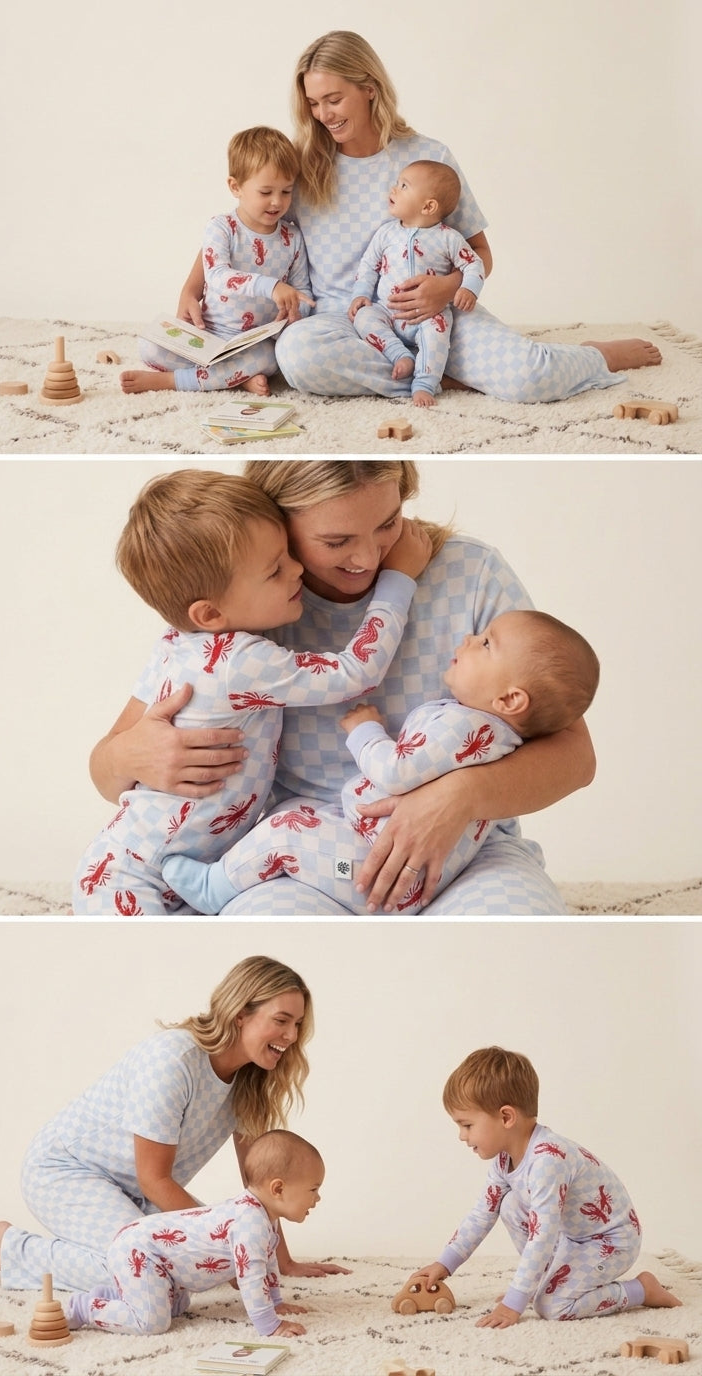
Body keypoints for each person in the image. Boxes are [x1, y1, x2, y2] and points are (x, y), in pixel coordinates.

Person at [88, 460, 597, 917]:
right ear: (278, 525)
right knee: (268, 928)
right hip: (310, 852)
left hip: (469, 847)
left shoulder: (473, 573)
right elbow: (106, 771)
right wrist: (131, 756)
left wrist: (460, 796)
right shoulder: (249, 599)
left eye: (387, 524)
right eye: (336, 542)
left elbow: (575, 755)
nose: (369, 556)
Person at [176, 31, 661, 403]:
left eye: (334, 99)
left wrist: (447, 289)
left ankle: (595, 355)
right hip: (343, 321)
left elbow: (481, 252)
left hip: (435, 313)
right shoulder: (304, 163)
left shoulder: (428, 159)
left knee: (528, 378)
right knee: (298, 358)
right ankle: (439, 375)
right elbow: (243, 220)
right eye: (313, 102)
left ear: (369, 89)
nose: (323, 113)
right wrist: (190, 287)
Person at [73, 467, 430, 916]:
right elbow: (355, 672)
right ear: (209, 613)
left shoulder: (176, 642)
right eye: (276, 569)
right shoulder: (242, 660)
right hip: (136, 878)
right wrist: (398, 581)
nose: (297, 569)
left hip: (150, 864)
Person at [162, 609, 599, 916]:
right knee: (298, 821)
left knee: (287, 836)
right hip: (392, 862)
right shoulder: (492, 733)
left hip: (372, 871)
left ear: (509, 698)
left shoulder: (461, 727)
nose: (467, 639)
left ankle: (213, 887)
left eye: (485, 643)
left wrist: (365, 731)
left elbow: (395, 772)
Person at [0, 956, 349, 1291]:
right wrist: (225, 1240)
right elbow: (154, 1179)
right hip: (66, 1172)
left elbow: (262, 1185)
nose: (292, 1036)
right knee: (145, 1275)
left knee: (202, 1266)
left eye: (297, 1024)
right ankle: (9, 1247)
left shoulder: (249, 1080)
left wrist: (280, 1259)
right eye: (282, 1020)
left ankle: (81, 1246)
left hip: (135, 1194)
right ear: (240, 1013)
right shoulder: (173, 1061)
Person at [408, 1047, 682, 1326]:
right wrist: (445, 1264)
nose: (461, 1136)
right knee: (511, 1204)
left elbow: (542, 1236)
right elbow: (481, 1214)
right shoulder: (504, 1161)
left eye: (466, 1125)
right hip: (570, 1237)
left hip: (610, 1240)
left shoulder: (548, 1161)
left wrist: (513, 1303)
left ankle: (641, 1289)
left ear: (506, 1117)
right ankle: (543, 1282)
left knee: (552, 1306)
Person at [64, 1130, 322, 1339]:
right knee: (151, 1322)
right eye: (313, 1189)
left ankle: (116, 1296)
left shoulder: (263, 1217)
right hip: (139, 1249)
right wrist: (270, 1324)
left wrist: (276, 1301)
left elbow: (269, 1262)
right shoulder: (250, 1223)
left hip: (164, 1264)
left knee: (177, 1307)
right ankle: (84, 1308)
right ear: (278, 1188)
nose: (317, 1198)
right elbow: (252, 1278)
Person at [121, 127, 314, 399]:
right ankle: (234, 377)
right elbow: (217, 276)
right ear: (235, 187)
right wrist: (271, 287)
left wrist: (295, 316)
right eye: (266, 192)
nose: (276, 202)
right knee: (149, 346)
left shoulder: (292, 238)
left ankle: (172, 381)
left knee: (271, 360)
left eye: (286, 191)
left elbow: (302, 290)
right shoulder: (221, 228)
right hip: (210, 335)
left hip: (254, 342)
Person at [349, 160, 484, 407]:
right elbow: (369, 265)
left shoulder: (448, 238)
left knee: (438, 333)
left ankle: (424, 383)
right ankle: (399, 355)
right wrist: (361, 294)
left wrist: (467, 288)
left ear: (428, 206)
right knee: (363, 317)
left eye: (403, 186)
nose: (393, 189)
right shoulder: (386, 233)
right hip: (387, 311)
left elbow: (474, 264)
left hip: (428, 314)